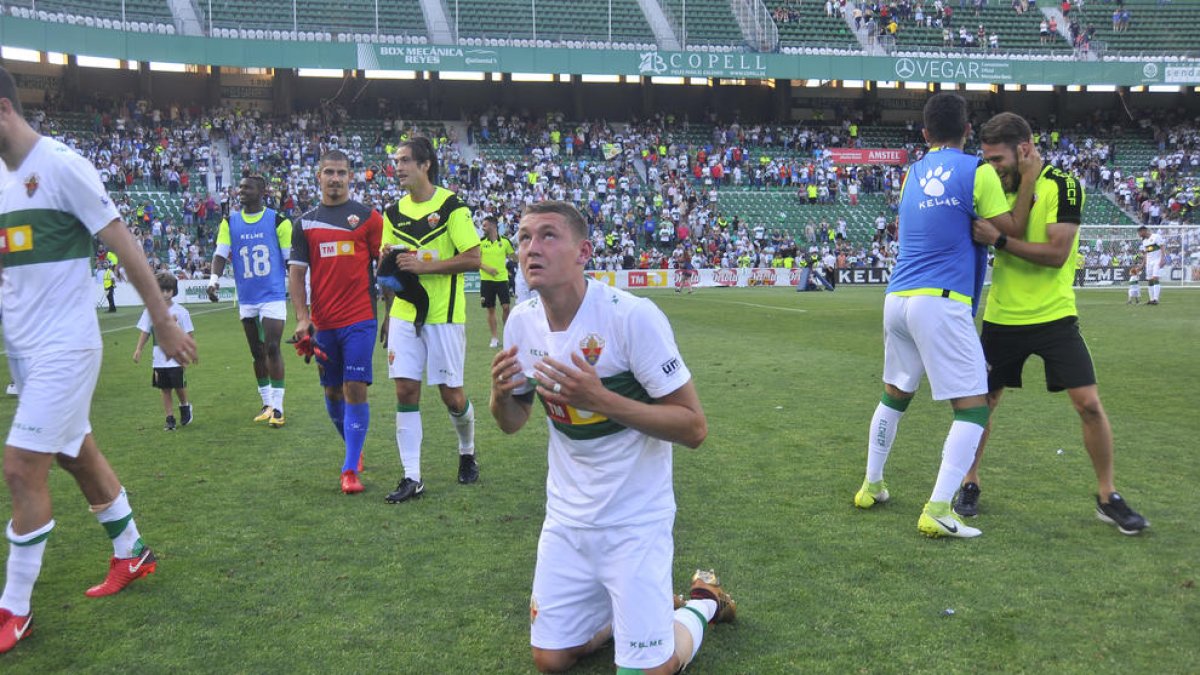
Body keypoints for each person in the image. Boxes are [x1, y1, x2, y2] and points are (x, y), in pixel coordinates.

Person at [489, 201, 735, 674]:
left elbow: (693, 428)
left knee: (646, 671)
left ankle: (702, 601)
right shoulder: (521, 321)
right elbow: (512, 421)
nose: (531, 248)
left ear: (583, 252)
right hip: (566, 520)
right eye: (523, 238)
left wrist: (601, 400)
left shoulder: (631, 317)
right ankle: (636, 611)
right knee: (550, 660)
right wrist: (500, 395)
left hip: (634, 521)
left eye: (547, 236)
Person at [0, 66, 197, 654]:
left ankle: (14, 608)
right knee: (75, 455)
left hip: (66, 347)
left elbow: (124, 243)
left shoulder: (61, 165)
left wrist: (163, 320)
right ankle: (131, 551)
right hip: (26, 354)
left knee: (21, 468)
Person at [954, 112, 1148, 534]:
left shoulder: (1063, 185)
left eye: (997, 158)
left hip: (1055, 315)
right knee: (981, 405)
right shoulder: (992, 187)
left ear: (1024, 149)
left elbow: (1058, 254)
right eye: (986, 159)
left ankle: (1107, 495)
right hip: (1002, 316)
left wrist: (1000, 240)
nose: (991, 166)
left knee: (1089, 404)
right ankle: (970, 481)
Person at [852, 92, 1014, 539]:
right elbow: (1007, 229)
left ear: (925, 134)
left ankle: (871, 485)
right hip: (940, 300)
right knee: (974, 408)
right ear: (968, 130)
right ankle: (939, 508)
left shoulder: (912, 173)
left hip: (898, 297)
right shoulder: (978, 170)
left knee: (894, 395)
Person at [380, 137, 482, 504]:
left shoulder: (452, 207)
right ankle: (412, 476)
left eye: (405, 160)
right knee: (405, 391)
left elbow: (473, 258)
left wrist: (426, 266)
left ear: (426, 165)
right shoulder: (392, 213)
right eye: (397, 161)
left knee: (451, 396)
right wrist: (387, 311)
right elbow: (388, 267)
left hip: (444, 315)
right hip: (405, 315)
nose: (399, 167)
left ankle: (467, 451)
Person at [288, 150, 383, 495]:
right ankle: (353, 448)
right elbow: (296, 275)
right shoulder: (305, 223)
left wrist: (392, 313)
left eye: (341, 173)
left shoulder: (369, 218)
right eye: (329, 172)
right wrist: (303, 319)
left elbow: (386, 268)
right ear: (318, 176)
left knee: (354, 387)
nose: (335, 178)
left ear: (350, 177)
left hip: (360, 319)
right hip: (324, 324)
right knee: (331, 390)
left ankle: (349, 469)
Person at [207, 175, 292, 426]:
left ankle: (279, 408)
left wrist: (301, 292)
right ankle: (266, 404)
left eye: (248, 187)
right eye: (241, 187)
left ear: (262, 192)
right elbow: (220, 254)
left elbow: (289, 260)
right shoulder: (229, 222)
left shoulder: (278, 221)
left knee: (273, 347)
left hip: (273, 295)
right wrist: (213, 280)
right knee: (257, 352)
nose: (241, 191)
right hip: (246, 297)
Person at [133, 273, 196, 430]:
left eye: (169, 290)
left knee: (179, 386)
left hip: (176, 357)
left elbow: (189, 334)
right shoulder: (150, 311)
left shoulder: (181, 312)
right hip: (158, 358)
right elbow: (145, 331)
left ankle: (185, 406)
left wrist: (190, 351)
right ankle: (169, 418)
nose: (165, 293)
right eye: (162, 290)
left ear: (174, 291)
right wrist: (139, 349)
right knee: (165, 388)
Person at [478, 215, 514, 348]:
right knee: (490, 309)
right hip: (486, 280)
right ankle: (494, 338)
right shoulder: (481, 242)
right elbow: (475, 261)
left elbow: (514, 257)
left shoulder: (505, 242)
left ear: (493, 226)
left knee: (506, 307)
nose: (483, 228)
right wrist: (487, 268)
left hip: (502, 279)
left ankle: (508, 335)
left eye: (485, 225)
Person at [1137, 224, 1165, 305]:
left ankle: (1156, 299)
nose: (1139, 234)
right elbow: (1146, 253)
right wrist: (1143, 264)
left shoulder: (1156, 236)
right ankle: (1151, 299)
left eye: (1140, 232)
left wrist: (1162, 259)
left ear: (1144, 231)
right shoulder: (1144, 241)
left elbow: (1162, 247)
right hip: (1149, 262)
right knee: (1149, 280)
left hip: (1157, 260)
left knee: (1155, 278)